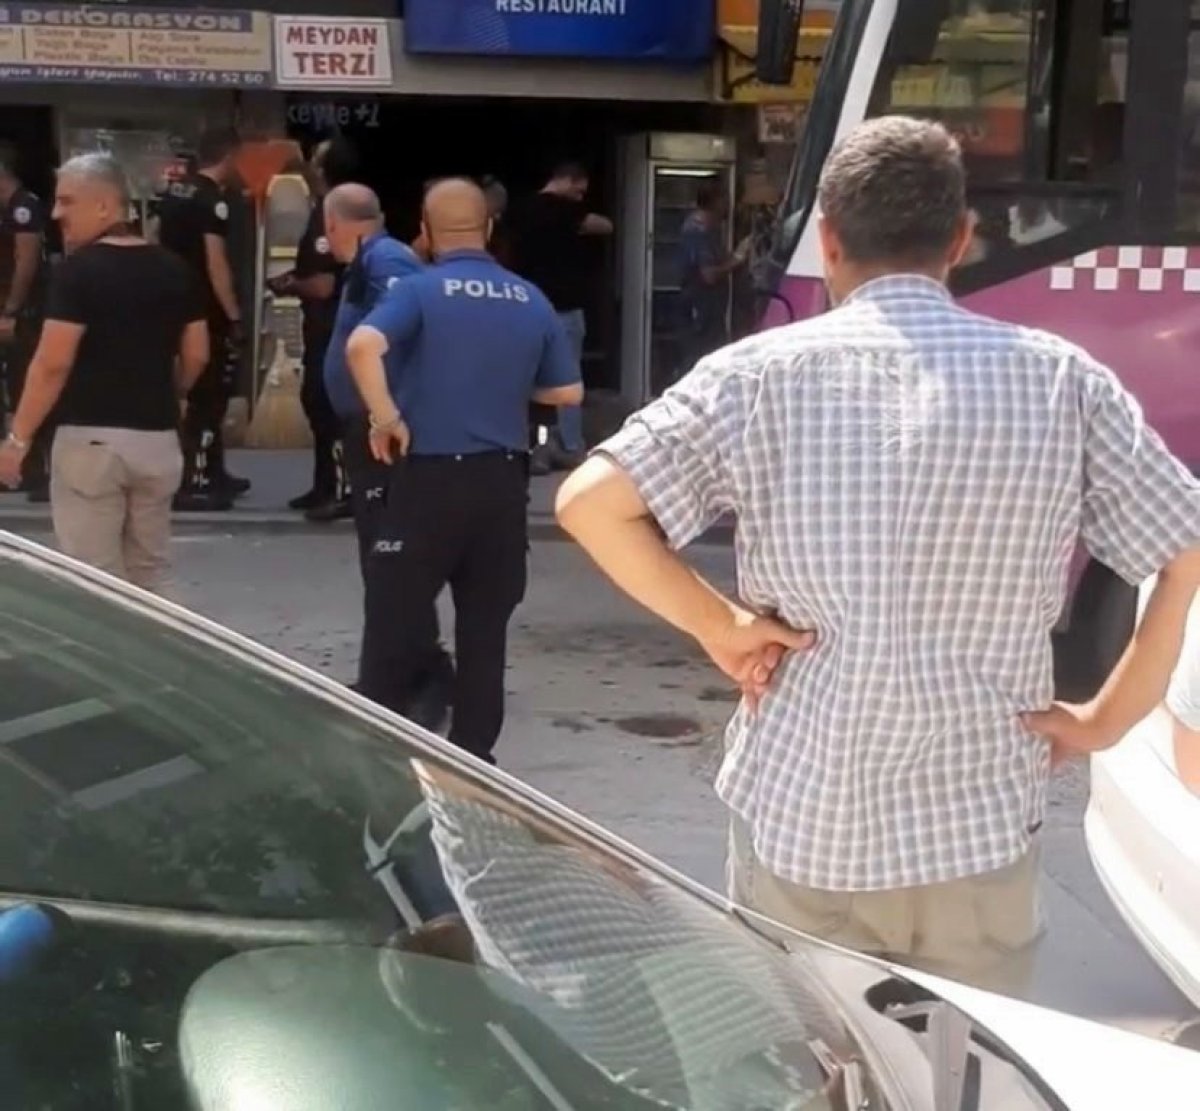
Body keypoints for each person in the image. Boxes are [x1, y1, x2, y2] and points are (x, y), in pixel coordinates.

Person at [555, 116, 1200, 999]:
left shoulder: (754, 375)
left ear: (828, 239)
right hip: (976, 831)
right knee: (961, 1058)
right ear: (962, 239)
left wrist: (723, 625)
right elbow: (1185, 547)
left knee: (817, 1056)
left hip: (803, 824)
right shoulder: (1062, 380)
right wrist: (1104, 720)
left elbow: (589, 503)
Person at [346, 178, 582, 763]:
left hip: (427, 480)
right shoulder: (529, 298)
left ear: (425, 233)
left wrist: (385, 417)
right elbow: (568, 391)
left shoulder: (419, 290)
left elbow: (362, 345)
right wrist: (504, 383)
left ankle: (381, 751)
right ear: (489, 228)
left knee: (395, 624)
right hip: (499, 485)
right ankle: (474, 760)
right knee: (484, 634)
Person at [0, 153, 207, 593]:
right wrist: (173, 392)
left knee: (93, 581)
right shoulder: (174, 269)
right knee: (151, 572)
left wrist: (18, 440)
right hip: (158, 440)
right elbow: (197, 353)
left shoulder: (76, 274)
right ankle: (160, 640)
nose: (56, 214)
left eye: (67, 202)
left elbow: (52, 363)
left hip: (90, 441)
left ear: (104, 206)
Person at [156, 126, 247, 511]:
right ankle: (198, 479)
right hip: (206, 309)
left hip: (174, 304)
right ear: (229, 156)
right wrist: (233, 314)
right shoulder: (212, 200)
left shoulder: (174, 193)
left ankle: (213, 468)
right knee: (210, 394)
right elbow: (215, 262)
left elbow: (156, 240)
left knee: (195, 391)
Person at [508, 160, 611, 474]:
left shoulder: (520, 210)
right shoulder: (563, 210)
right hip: (564, 306)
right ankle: (569, 445)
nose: (581, 197)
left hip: (525, 306)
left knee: (527, 378)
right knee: (566, 379)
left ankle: (530, 445)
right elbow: (604, 226)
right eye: (579, 191)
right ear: (567, 180)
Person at [269, 138, 351, 519]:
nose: (310, 169)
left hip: (332, 327)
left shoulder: (331, 214)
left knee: (327, 407)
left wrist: (290, 285)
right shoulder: (329, 208)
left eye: (316, 162)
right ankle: (323, 485)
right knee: (316, 404)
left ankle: (340, 488)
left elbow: (324, 284)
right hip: (323, 326)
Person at [0, 141, 49, 501]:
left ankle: (34, 469)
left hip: (24, 314)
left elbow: (26, 260)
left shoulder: (24, 207)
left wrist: (12, 310)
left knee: (24, 387)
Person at [678, 181, 749, 374]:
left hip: (711, 313)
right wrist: (737, 259)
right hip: (701, 313)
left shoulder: (711, 230)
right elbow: (708, 275)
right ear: (716, 202)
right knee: (700, 360)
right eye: (725, 199)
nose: (729, 205)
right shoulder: (698, 231)